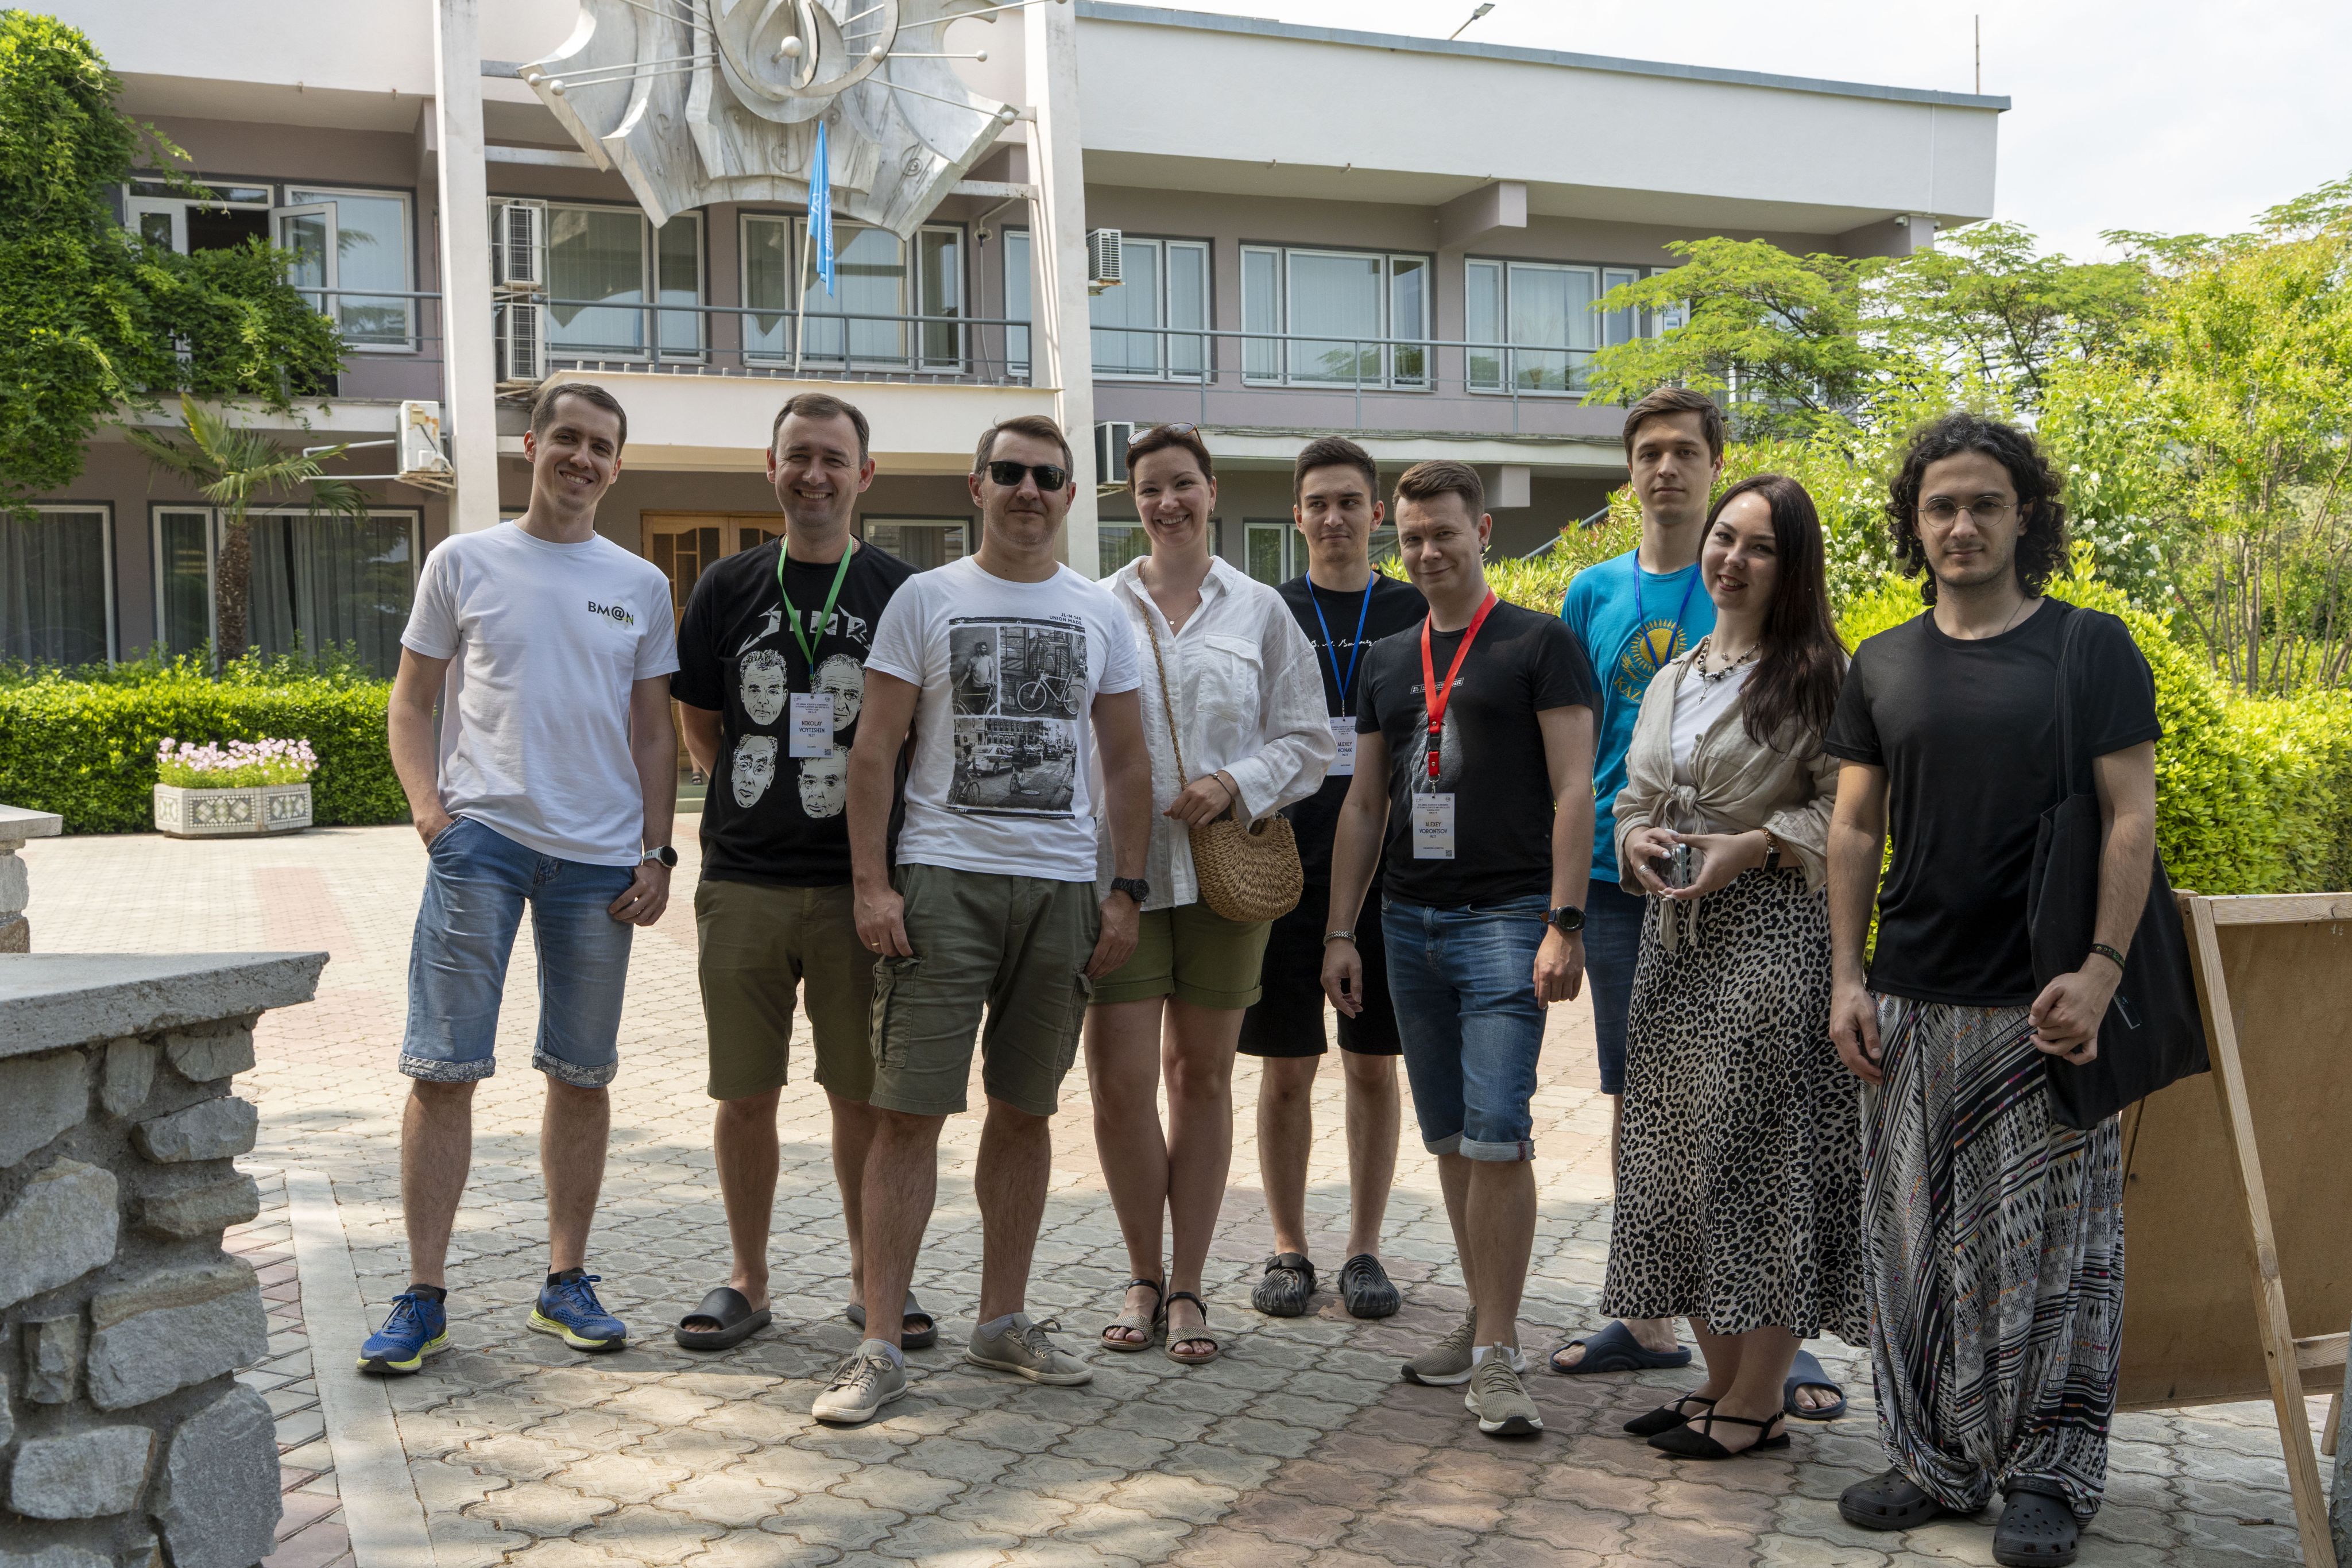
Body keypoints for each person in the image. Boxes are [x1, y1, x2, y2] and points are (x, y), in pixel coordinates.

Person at [1825, 413, 2158, 1567]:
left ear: (2025, 518)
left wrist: (2101, 967)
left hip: (2045, 1008)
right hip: (1910, 998)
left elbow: (2130, 817)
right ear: (1913, 525)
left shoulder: (2088, 648)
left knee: (2055, 1253)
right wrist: (1847, 976)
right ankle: (1933, 1459)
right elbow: (1853, 826)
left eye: (1983, 504)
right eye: (1940, 507)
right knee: (1911, 1244)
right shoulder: (1881, 661)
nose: (1960, 525)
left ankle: (2050, 1475)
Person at [814, 413, 1152, 1424]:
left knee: (1026, 1110)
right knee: (907, 1114)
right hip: (942, 885)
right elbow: (873, 751)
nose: (1027, 490)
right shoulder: (926, 598)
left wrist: (1126, 891)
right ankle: (880, 1343)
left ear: (1071, 495)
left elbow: (1127, 762)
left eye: (1047, 476)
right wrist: (872, 887)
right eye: (1008, 473)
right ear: (977, 487)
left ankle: (1002, 1321)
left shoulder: (1100, 612)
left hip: (1061, 891)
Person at [362, 381, 677, 1375]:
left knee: (582, 1075)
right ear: (532, 445)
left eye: (602, 446)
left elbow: (653, 733)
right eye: (567, 438)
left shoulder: (641, 584)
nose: (583, 458)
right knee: (443, 1067)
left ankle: (564, 1282)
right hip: (484, 845)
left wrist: (658, 850)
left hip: (600, 863)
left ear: (617, 466)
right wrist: (431, 815)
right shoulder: (464, 560)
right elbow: (410, 702)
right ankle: (423, 1296)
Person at [1324, 460, 1598, 1440]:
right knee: (1448, 1136)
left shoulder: (1538, 642)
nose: (1428, 551)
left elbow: (1575, 790)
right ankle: (1484, 1328)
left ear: (1482, 531)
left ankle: (1499, 1353)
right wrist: (1342, 929)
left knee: (1498, 1133)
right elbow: (1366, 804)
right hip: (1408, 922)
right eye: (1412, 538)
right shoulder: (1388, 658)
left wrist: (1565, 922)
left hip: (1507, 921)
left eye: (1445, 532)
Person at [1600, 475, 1869, 1459]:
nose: (1733, 559)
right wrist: (1634, 838)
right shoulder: (1677, 671)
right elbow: (1633, 795)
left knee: (1759, 1163)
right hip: (1675, 941)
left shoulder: (1822, 673)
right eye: (1725, 537)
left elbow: (1850, 813)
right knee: (1679, 1161)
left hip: (1772, 938)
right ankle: (1718, 1386)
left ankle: (1758, 1401)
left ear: (1792, 566)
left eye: (1760, 547)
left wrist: (1752, 845)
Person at [668, 392, 928, 1354]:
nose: (814, 474)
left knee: (860, 1096)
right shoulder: (726, 586)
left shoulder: (903, 593)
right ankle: (749, 1278)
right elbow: (701, 725)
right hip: (745, 882)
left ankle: (871, 1281)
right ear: (770, 467)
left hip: (864, 887)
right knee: (745, 1094)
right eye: (798, 456)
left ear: (866, 475)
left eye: (833, 458)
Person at [1087, 424, 1333, 1364]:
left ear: (1212, 491)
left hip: (1227, 883)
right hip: (1120, 878)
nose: (1168, 503)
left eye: (1183, 484)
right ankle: (1140, 1273)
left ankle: (1188, 1284)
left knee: (1200, 1077)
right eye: (1150, 489)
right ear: (1134, 502)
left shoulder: (1260, 610)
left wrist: (1235, 781)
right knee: (1119, 1086)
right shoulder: (1100, 606)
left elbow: (1308, 740)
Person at [1551, 386, 1720, 1381]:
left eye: (1685, 451)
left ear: (1714, 465)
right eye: (1650, 451)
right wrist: (1563, 910)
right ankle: (1647, 1315)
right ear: (1629, 471)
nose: (1666, 468)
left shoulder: (1747, 576)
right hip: (1619, 882)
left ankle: (1754, 1334)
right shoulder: (1591, 592)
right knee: (1637, 1094)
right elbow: (1571, 760)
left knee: (1735, 1097)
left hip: (1731, 880)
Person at [1238, 436, 1426, 1322]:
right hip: (1281, 872)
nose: (1334, 517)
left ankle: (1363, 1249)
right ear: (1298, 515)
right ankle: (1289, 1248)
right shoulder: (1268, 611)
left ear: (1376, 513)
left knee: (1372, 1069)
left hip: (1389, 873)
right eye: (1318, 503)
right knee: (1285, 1071)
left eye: (1350, 501)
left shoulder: (1415, 608)